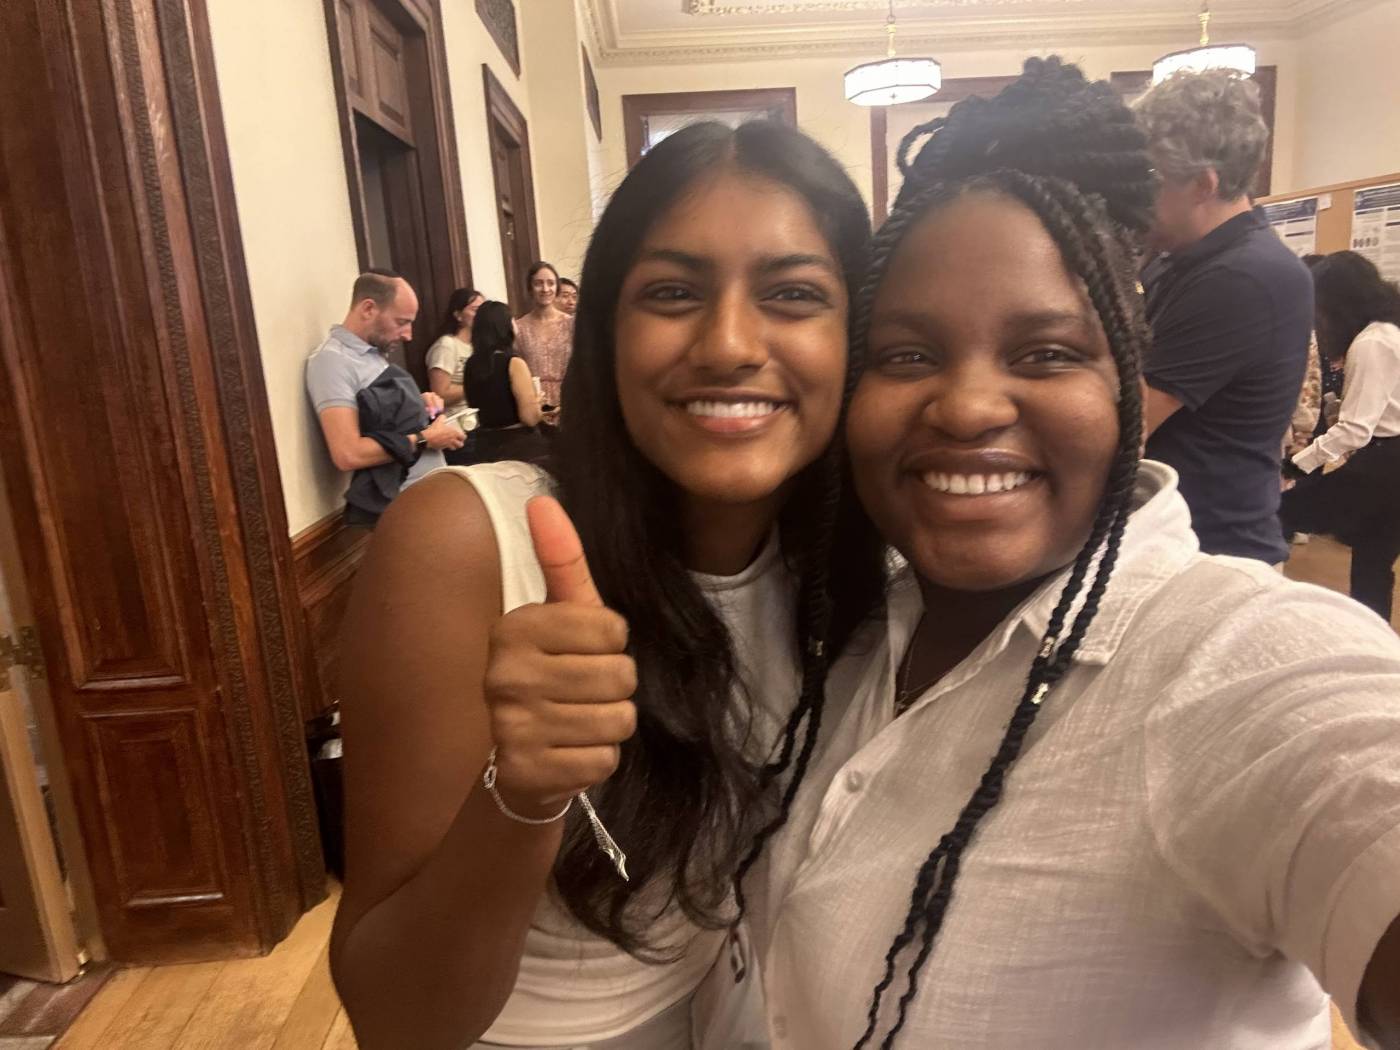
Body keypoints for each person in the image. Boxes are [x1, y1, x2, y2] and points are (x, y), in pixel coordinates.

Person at [747, 59, 1400, 1050]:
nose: (965, 407)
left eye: (1045, 353)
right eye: (906, 354)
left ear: (1127, 387)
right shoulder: (853, 635)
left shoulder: (1234, 668)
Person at [329, 121, 883, 1050]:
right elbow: (397, 1022)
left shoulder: (864, 570)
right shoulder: (468, 541)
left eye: (793, 294)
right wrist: (526, 793)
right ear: (605, 333)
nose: (730, 344)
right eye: (672, 292)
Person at [1135, 70, 1312, 564]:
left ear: (1202, 184)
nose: (1136, 200)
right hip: (1176, 533)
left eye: (1150, 181)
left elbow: (1128, 420)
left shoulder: (1244, 276)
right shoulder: (1182, 257)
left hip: (1211, 548)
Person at [1281, 250, 1400, 620]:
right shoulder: (1389, 331)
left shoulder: (1371, 342)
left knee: (1277, 512)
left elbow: (1356, 429)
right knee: (1372, 560)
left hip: (1384, 464)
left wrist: (1297, 465)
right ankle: (1374, 646)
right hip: (1390, 462)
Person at [306, 269, 465, 525]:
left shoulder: (373, 355)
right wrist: (426, 439)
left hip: (431, 500)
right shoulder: (331, 361)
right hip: (404, 512)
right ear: (368, 308)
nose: (408, 335)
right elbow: (348, 453)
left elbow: (383, 418)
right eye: (401, 322)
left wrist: (420, 406)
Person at [462, 300, 548, 465]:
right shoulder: (513, 363)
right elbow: (529, 418)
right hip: (518, 447)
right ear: (506, 326)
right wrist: (537, 403)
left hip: (484, 446)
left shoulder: (471, 365)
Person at [515, 261, 573, 410]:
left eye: (551, 283)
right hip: (532, 404)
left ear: (557, 288)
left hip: (569, 401)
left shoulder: (572, 324)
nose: (545, 289)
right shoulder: (518, 327)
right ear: (530, 288)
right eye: (538, 283)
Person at [426, 286, 484, 410]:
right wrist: (478, 386)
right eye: (475, 310)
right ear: (458, 315)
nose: (482, 315)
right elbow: (440, 394)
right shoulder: (446, 345)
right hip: (456, 420)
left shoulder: (479, 345)